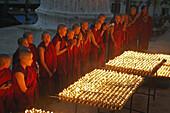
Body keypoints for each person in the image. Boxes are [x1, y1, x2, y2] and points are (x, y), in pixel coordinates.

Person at [38, 32, 57, 100]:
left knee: (51, 85)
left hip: (51, 68)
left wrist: (55, 66)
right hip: (45, 70)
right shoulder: (41, 48)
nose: (47, 39)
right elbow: (42, 62)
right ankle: (46, 100)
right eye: (45, 37)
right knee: (45, 86)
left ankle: (51, 98)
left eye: (48, 37)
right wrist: (48, 72)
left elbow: (54, 56)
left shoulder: (51, 44)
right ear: (42, 38)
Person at [52, 24, 68, 89]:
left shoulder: (62, 38)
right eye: (64, 30)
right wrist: (66, 49)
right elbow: (57, 53)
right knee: (60, 78)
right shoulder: (57, 39)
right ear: (59, 30)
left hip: (63, 60)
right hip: (59, 61)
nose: (66, 32)